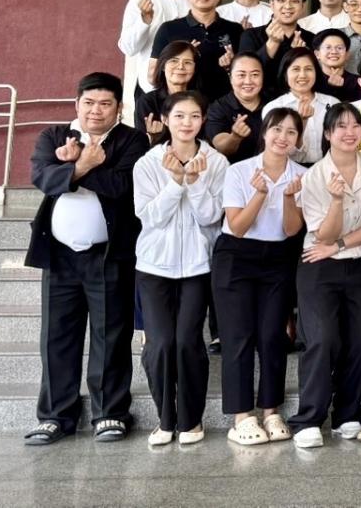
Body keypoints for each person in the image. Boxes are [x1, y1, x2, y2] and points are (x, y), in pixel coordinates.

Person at [22, 73, 147, 446]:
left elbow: (122, 186)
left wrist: (79, 168)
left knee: (111, 336)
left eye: (105, 104)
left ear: (118, 108)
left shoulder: (132, 140)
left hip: (108, 255)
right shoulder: (54, 136)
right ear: (76, 104)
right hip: (59, 255)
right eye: (89, 103)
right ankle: (55, 416)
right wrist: (80, 167)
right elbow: (43, 178)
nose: (96, 111)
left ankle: (110, 413)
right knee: (57, 337)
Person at [132, 91, 225, 447]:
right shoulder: (147, 163)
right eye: (179, 116)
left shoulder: (216, 162)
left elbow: (212, 216)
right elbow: (151, 217)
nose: (187, 123)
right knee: (159, 344)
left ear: (203, 120)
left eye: (194, 116)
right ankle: (165, 419)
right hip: (154, 265)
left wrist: (195, 182)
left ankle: (190, 419)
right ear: (165, 120)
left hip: (198, 266)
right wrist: (174, 182)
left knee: (187, 342)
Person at [289, 103, 361, 448]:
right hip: (319, 264)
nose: (349, 132)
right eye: (340, 126)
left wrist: (342, 244)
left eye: (355, 125)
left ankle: (347, 412)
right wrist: (336, 200)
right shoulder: (314, 176)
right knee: (323, 338)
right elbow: (323, 236)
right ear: (327, 134)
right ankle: (309, 418)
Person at [215, 108, 307, 445]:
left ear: (298, 140)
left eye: (291, 132)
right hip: (236, 256)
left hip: (278, 257)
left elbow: (292, 229)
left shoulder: (302, 175)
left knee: (272, 335)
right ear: (264, 132)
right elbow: (238, 227)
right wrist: (260, 193)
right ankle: (241, 417)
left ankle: (271, 410)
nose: (283, 137)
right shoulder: (239, 171)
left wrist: (288, 196)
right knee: (238, 335)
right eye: (277, 129)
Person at [152, 0, 238, 102]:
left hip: (223, 105)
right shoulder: (169, 29)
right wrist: (184, 55)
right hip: (181, 105)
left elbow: (246, 72)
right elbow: (153, 75)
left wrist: (232, 65)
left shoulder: (235, 29)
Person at [118, 0, 189, 99]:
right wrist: (144, 21)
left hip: (189, 85)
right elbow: (129, 49)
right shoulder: (139, 2)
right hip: (149, 86)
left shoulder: (193, 2)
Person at [262, 48, 339, 165]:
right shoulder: (274, 107)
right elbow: (276, 150)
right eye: (296, 69)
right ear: (285, 74)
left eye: (308, 69)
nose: (302, 75)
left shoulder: (333, 103)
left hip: (328, 168)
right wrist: (301, 122)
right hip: (289, 169)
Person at [237, 0, 310, 76]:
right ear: (271, 4)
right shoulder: (250, 35)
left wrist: (298, 55)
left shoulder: (311, 39)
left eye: (295, 1)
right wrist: (273, 42)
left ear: (303, 6)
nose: (288, 6)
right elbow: (247, 73)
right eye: (281, 0)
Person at [206, 53, 267, 161]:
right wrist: (235, 137)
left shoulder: (274, 104)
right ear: (231, 77)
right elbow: (220, 147)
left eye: (255, 75)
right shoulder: (218, 108)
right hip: (233, 168)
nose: (248, 81)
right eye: (241, 75)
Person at [136, 43, 200, 144]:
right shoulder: (147, 102)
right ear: (163, 66)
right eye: (174, 61)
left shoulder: (202, 101)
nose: (180, 67)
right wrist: (153, 138)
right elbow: (140, 145)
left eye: (187, 62)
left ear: (195, 68)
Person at [311, 29, 361, 102]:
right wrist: (330, 88)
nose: (334, 52)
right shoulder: (311, 81)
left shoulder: (359, 82)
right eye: (328, 47)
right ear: (317, 54)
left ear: (347, 54)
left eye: (339, 48)